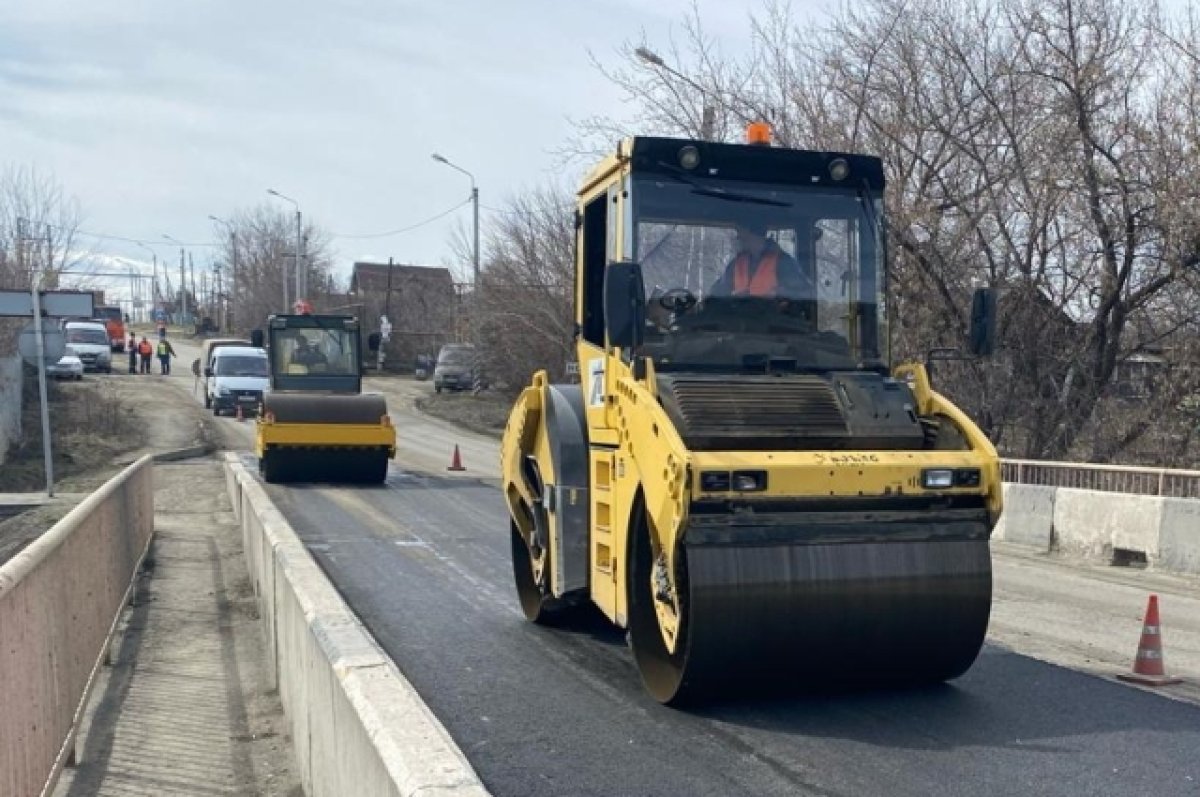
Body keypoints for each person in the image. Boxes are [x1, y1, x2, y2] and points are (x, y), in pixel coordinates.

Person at [709, 222, 813, 300]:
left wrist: (780, 294)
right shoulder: (737, 263)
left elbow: (806, 294)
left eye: (742, 234)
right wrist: (732, 296)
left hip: (774, 324)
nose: (738, 237)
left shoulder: (783, 262)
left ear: (755, 235)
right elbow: (717, 292)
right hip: (738, 322)